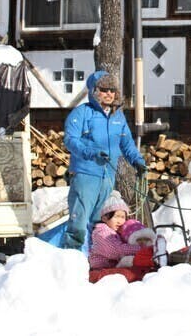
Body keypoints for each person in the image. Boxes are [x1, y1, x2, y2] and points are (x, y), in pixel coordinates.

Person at [62, 70, 147, 251]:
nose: (109, 94)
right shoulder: (82, 113)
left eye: (112, 90)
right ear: (94, 91)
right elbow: (70, 140)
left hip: (108, 176)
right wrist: (92, 152)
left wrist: (137, 162)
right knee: (79, 221)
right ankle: (71, 259)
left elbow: (127, 144)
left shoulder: (118, 117)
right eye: (104, 89)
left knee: (100, 223)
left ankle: (96, 257)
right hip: (86, 174)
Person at [89, 191, 191, 283]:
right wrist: (141, 249)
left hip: (117, 266)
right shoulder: (101, 232)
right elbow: (115, 250)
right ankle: (179, 258)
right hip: (102, 271)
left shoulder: (117, 232)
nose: (120, 221)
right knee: (141, 269)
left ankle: (190, 257)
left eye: (123, 217)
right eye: (116, 216)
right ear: (105, 217)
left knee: (148, 265)